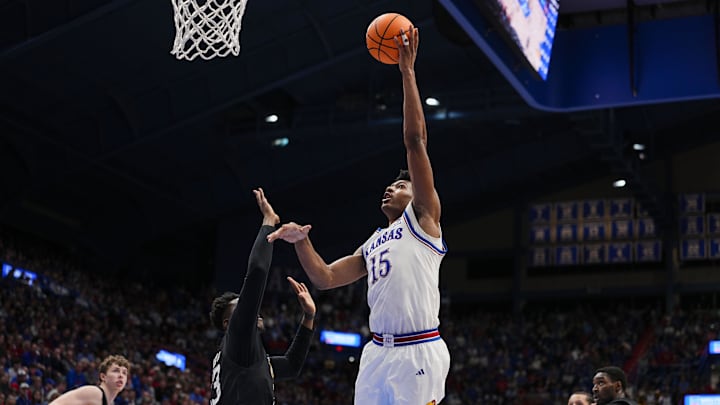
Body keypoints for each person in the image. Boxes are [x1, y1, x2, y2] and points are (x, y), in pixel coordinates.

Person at [268, 25, 450, 405]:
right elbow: (326, 277)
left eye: (400, 186)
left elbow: (415, 140)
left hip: (418, 351)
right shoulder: (374, 240)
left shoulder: (424, 219)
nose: (391, 188)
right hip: (376, 355)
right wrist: (303, 243)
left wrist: (407, 72)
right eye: (389, 186)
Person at [209, 188, 316, 405]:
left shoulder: (244, 357)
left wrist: (308, 317)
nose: (253, 310)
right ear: (229, 322)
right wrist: (269, 220)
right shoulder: (238, 339)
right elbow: (257, 270)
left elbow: (291, 365)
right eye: (241, 308)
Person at [48, 355, 130, 405]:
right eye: (116, 371)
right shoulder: (94, 393)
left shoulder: (107, 402)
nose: (121, 375)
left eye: (124, 373)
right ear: (103, 377)